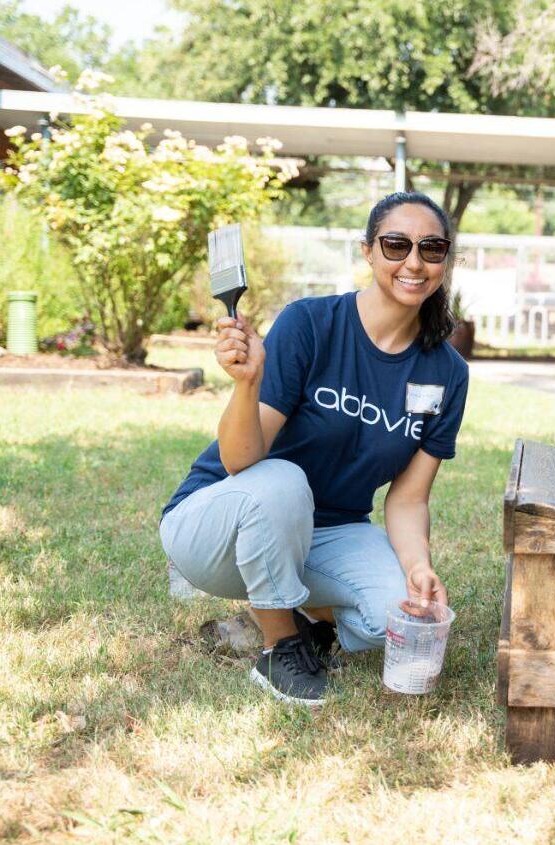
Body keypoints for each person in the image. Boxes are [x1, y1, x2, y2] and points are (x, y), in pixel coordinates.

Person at [160, 192, 469, 706]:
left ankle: (296, 614)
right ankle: (280, 647)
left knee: (390, 616)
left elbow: (409, 499)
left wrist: (418, 567)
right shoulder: (311, 324)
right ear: (368, 252)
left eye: (431, 248)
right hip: (220, 522)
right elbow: (240, 462)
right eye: (396, 245)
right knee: (283, 480)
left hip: (324, 536)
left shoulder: (448, 373)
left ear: (445, 260)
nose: (413, 262)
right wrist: (247, 384)